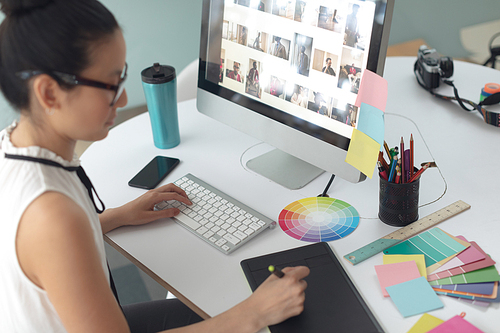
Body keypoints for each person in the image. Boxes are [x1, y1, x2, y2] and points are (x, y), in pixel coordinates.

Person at [0, 1, 310, 332]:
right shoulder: (53, 215)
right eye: (110, 84)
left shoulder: (14, 147)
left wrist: (117, 216)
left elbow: (43, 254)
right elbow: (53, 234)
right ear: (49, 93)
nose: (122, 99)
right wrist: (255, 314)